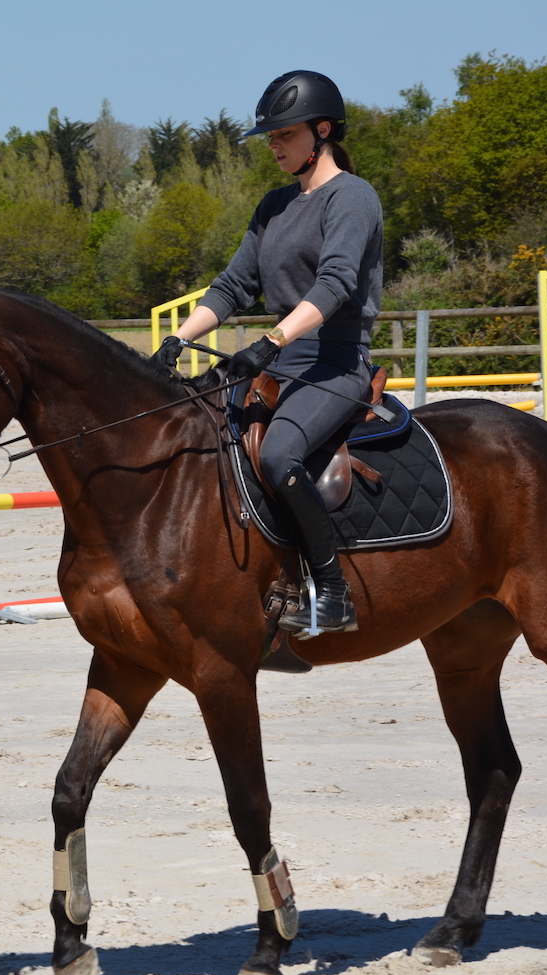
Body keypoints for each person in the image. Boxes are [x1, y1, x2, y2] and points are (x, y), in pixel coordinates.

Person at [155, 69, 383, 637]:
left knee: (280, 456)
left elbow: (333, 287)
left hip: (334, 363)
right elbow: (233, 285)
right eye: (271, 136)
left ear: (322, 131)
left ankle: (332, 590)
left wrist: (271, 339)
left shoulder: (352, 197)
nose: (274, 145)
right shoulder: (274, 205)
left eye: (284, 134)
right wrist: (179, 338)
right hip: (279, 364)